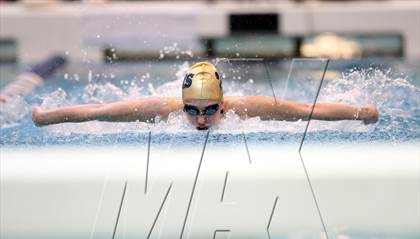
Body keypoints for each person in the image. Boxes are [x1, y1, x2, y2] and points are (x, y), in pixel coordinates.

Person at [32, 61, 379, 130]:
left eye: (211, 109)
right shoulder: (159, 109)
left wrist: (360, 112)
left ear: (224, 104)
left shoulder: (247, 109)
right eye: (192, 111)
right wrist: (46, 117)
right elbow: (99, 111)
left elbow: (307, 109)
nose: (200, 120)